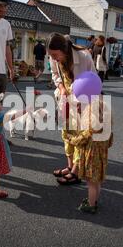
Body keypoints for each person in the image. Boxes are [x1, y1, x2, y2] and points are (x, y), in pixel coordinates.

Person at [47, 33, 96, 185]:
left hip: (83, 101)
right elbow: (55, 73)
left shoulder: (83, 56)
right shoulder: (53, 55)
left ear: (64, 49)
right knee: (67, 134)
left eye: (55, 55)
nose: (54, 59)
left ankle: (76, 172)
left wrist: (85, 101)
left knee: (80, 137)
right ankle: (69, 166)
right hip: (65, 99)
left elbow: (94, 80)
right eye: (51, 56)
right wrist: (61, 88)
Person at [63, 95, 113, 214]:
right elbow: (110, 142)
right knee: (97, 181)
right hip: (101, 156)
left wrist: (70, 139)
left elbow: (80, 140)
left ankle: (90, 205)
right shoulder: (106, 128)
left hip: (92, 158)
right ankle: (94, 200)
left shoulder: (90, 130)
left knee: (91, 183)